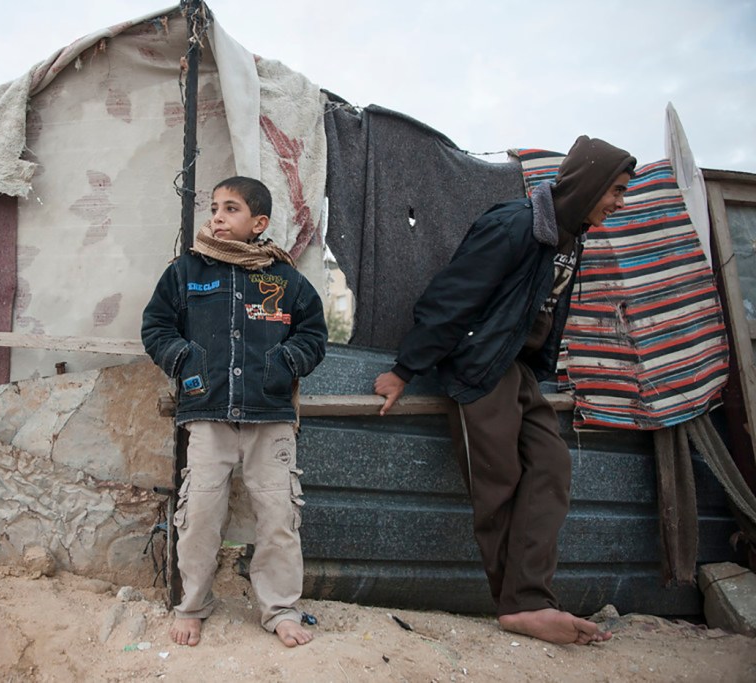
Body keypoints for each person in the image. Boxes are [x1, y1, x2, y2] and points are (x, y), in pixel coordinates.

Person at [374, 136, 636, 646]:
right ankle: (519, 606)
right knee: (498, 483)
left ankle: (530, 597)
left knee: (552, 467)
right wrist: (405, 369)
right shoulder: (516, 225)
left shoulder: (569, 237)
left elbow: (542, 311)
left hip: (515, 368)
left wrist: (541, 367)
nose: (619, 203)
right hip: (477, 369)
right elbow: (452, 295)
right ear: (588, 183)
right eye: (617, 191)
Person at [141, 176, 328, 648]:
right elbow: (156, 326)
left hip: (271, 417)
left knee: (279, 516)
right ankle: (193, 605)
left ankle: (280, 609)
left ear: (258, 223)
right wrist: (186, 361)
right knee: (200, 513)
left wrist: (285, 364)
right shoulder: (186, 272)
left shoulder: (284, 279)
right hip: (208, 413)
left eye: (232, 209)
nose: (218, 217)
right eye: (215, 208)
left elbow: (313, 334)